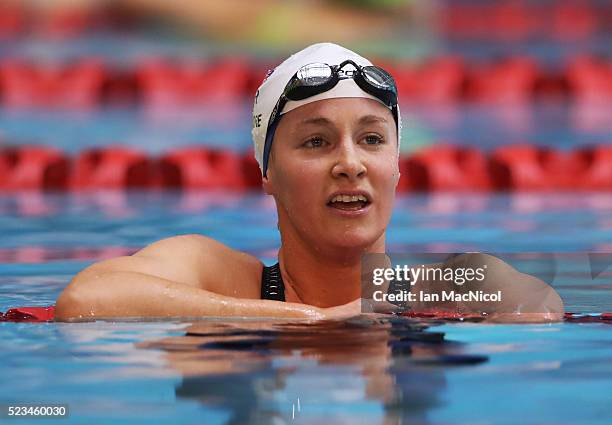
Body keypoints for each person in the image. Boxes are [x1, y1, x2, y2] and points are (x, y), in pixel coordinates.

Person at [55, 43, 564, 322]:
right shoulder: (220, 274)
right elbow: (87, 298)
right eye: (316, 143)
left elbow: (541, 311)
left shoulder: (443, 285)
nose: (350, 164)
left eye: (371, 140)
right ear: (267, 173)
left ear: (398, 165)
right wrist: (309, 320)